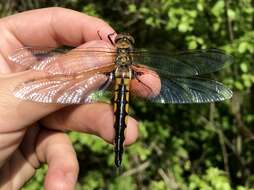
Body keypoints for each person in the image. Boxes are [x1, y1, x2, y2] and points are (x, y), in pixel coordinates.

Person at [0, 7, 140, 190]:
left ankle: (118, 156)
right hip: (125, 80)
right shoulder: (127, 57)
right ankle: (119, 157)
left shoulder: (109, 53)